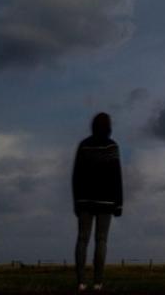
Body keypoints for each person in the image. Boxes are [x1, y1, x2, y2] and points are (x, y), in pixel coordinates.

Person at [72, 112, 123, 292]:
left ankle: (81, 283)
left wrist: (76, 201)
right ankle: (98, 283)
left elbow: (76, 176)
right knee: (101, 240)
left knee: (82, 239)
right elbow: (117, 177)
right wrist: (119, 203)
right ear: (109, 126)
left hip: (85, 200)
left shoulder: (84, 146)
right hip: (106, 201)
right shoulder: (112, 146)